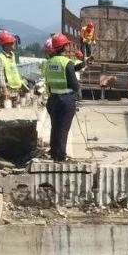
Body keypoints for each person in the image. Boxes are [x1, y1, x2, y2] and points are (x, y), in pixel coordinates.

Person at [44, 33, 79, 162]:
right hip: (66, 100)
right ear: (65, 46)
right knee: (64, 129)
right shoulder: (66, 62)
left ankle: (54, 153)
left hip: (53, 99)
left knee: (55, 127)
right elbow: (75, 85)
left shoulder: (49, 62)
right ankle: (60, 157)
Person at [0, 31, 25, 107]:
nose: (14, 44)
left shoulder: (12, 56)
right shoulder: (0, 57)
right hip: (6, 92)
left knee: (16, 114)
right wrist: (5, 90)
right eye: (12, 42)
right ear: (6, 44)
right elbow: (0, 76)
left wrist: (20, 86)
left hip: (15, 91)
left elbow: (14, 73)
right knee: (6, 116)